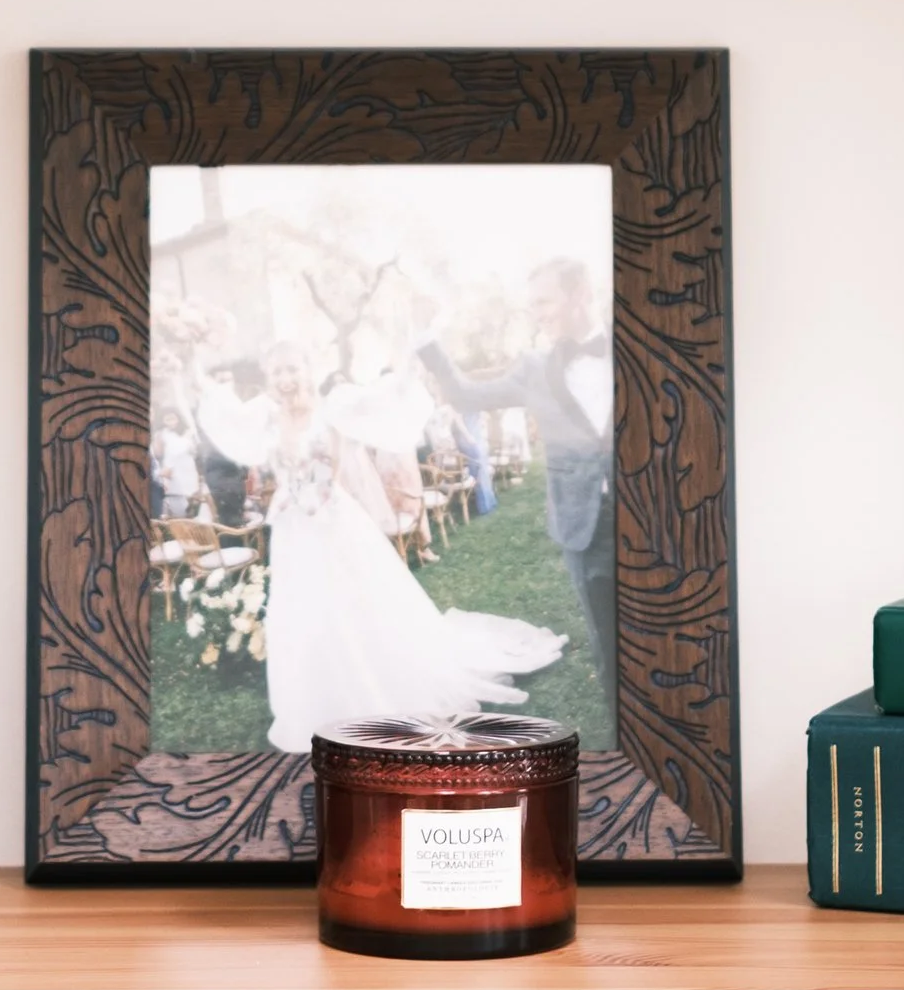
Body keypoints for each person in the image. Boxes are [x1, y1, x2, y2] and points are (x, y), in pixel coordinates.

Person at [193, 342, 563, 753]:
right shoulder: (265, 416)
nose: (285, 380)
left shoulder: (331, 408)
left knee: (355, 604)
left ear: (307, 368)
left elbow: (381, 405)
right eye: (278, 372)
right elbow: (226, 418)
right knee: (305, 613)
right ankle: (317, 699)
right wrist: (195, 371)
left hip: (333, 521)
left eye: (292, 369)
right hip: (295, 531)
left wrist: (408, 363)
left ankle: (373, 687)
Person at [419, 258, 615, 686]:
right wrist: (426, 337)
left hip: (654, 517)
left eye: (544, 301)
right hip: (585, 527)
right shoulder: (534, 368)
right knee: (609, 643)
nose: (537, 313)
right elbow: (464, 394)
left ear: (580, 292)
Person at [151, 409, 203, 520]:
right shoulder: (162, 434)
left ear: (179, 418)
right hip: (173, 477)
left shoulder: (189, 433)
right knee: (178, 514)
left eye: (173, 418)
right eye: (167, 419)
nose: (171, 422)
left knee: (193, 512)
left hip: (189, 475)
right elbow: (157, 453)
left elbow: (196, 455)